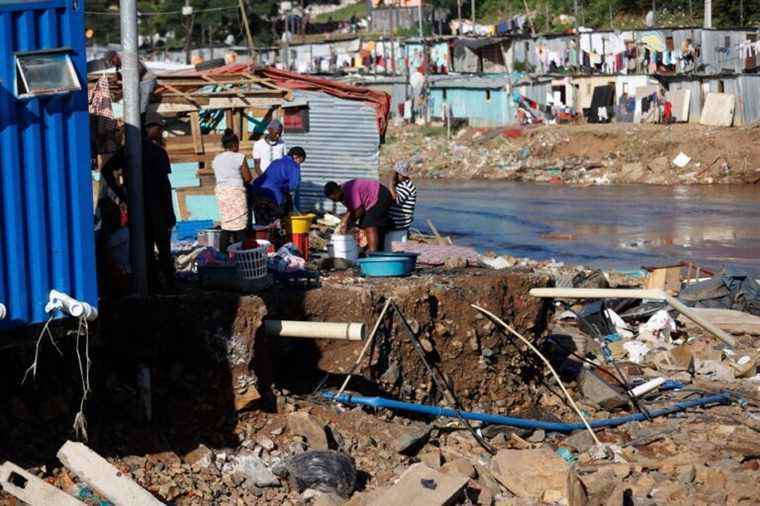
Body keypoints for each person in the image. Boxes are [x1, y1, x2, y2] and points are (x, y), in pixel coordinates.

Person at [102, 113, 176, 291]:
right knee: (163, 248)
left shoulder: (128, 151)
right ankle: (170, 285)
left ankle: (152, 285)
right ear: (149, 128)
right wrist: (170, 212)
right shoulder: (158, 152)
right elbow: (165, 186)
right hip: (156, 206)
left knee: (145, 248)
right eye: (159, 129)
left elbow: (106, 170)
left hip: (138, 207)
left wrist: (122, 195)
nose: (161, 132)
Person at [324, 178, 394, 253]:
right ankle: (375, 250)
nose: (334, 201)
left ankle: (373, 254)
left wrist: (349, 222)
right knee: (363, 224)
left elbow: (359, 210)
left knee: (370, 224)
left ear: (336, 191)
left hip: (380, 195)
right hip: (373, 200)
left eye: (333, 198)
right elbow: (352, 209)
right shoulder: (342, 194)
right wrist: (345, 221)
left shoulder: (350, 190)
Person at [212, 128, 253, 251]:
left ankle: (223, 255)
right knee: (240, 226)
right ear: (234, 144)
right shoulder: (239, 157)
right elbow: (247, 178)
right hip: (236, 193)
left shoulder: (216, 159)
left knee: (226, 225)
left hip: (222, 193)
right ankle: (241, 255)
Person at [250, 147, 306, 225]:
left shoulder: (276, 162)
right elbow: (293, 185)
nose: (299, 164)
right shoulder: (294, 165)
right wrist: (285, 190)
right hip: (273, 196)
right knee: (280, 215)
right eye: (300, 161)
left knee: (261, 223)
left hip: (255, 192)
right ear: (296, 157)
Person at [386, 161, 417, 249]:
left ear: (399, 174)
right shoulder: (400, 185)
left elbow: (395, 200)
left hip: (398, 225)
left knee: (393, 249)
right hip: (396, 224)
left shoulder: (406, 186)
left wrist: (390, 183)